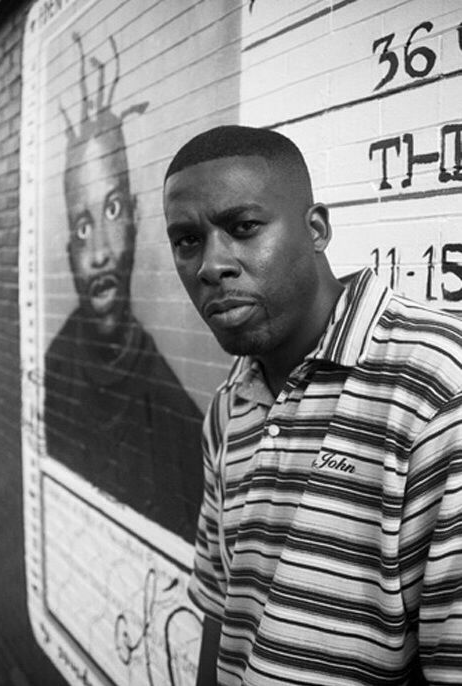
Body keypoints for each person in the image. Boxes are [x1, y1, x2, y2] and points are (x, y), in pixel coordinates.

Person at [162, 125, 462, 684]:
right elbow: (222, 609)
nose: (211, 265)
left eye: (243, 227)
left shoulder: (435, 391)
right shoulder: (232, 403)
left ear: (317, 229)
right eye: (187, 240)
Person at [44, 34, 203, 544]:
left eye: (112, 210)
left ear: (135, 218)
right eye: (83, 226)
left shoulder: (179, 422)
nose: (99, 254)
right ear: (70, 247)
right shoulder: (51, 375)